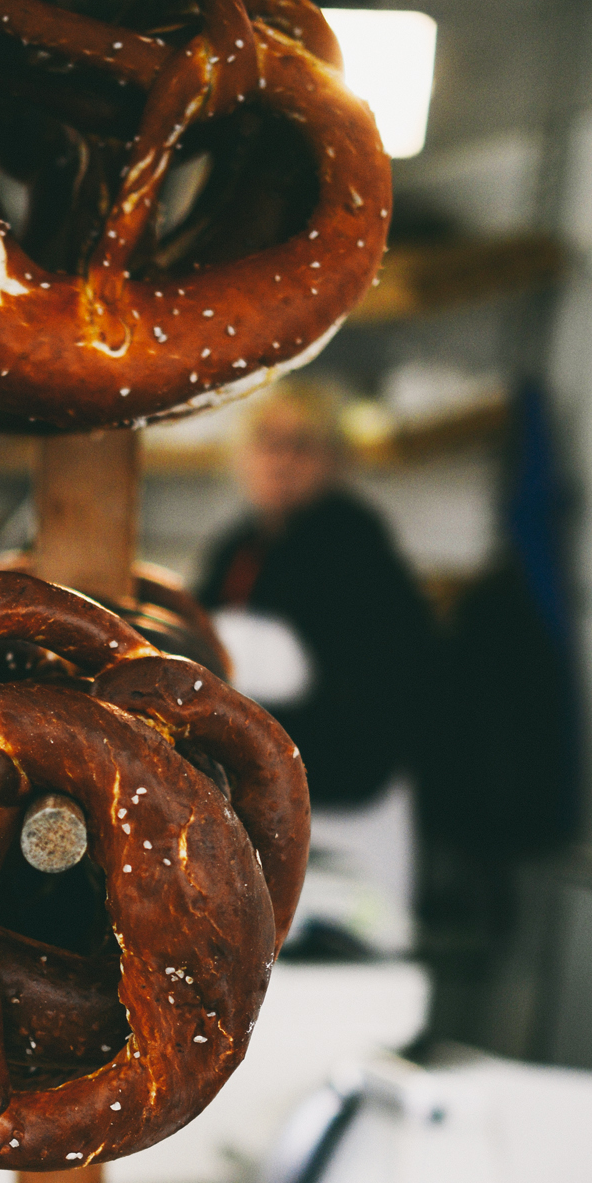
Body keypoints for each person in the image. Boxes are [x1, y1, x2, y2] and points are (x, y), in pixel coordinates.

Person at [196, 382, 435, 920]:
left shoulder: (357, 554)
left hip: (340, 804)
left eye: (301, 445)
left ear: (336, 461)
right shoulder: (237, 548)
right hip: (254, 797)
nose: (281, 459)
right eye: (267, 441)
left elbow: (383, 694)